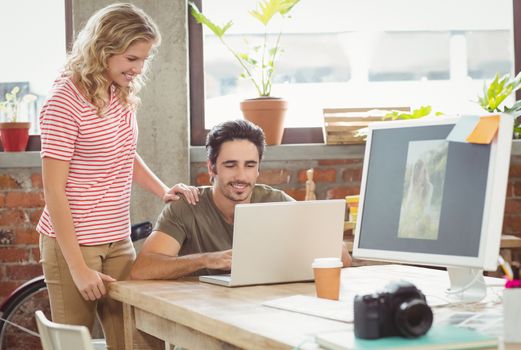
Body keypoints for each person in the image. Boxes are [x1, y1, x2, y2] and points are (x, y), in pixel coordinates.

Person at [36, 4, 198, 349]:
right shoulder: (63, 102)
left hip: (117, 240)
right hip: (72, 245)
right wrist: (78, 269)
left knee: (139, 340)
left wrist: (163, 190)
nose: (138, 69)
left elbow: (124, 151)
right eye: (131, 59)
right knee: (75, 344)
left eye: (143, 60)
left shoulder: (116, 92)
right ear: (103, 50)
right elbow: (54, 190)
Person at [130, 120, 352, 281]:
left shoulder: (276, 202)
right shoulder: (186, 206)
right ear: (211, 167)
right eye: (230, 165)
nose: (241, 176)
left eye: (249, 165)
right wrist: (206, 260)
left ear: (258, 169)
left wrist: (319, 238)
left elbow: (342, 259)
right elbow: (142, 269)